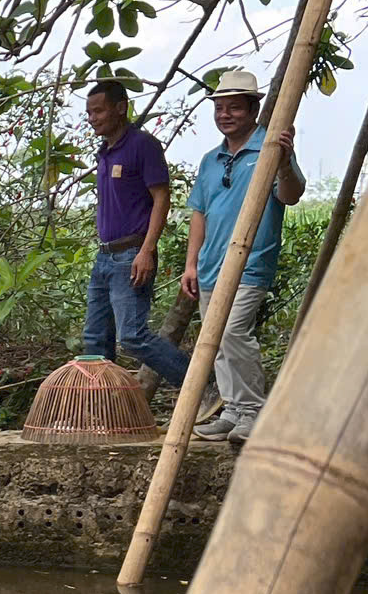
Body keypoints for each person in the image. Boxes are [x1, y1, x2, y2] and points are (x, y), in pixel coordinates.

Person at [181, 67, 305, 443]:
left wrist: (284, 161)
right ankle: (232, 411)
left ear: (253, 110)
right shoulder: (210, 159)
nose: (225, 115)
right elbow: (199, 213)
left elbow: (291, 194)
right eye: (220, 108)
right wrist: (191, 263)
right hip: (211, 265)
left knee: (234, 331)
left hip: (251, 263)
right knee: (215, 340)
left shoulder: (270, 148)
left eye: (234, 108)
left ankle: (252, 410)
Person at [80, 79, 191, 389]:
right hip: (104, 256)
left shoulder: (143, 145)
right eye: (89, 113)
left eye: (99, 111)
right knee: (95, 339)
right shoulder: (105, 152)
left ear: (121, 107)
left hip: (132, 253)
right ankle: (101, 406)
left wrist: (146, 251)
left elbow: (161, 198)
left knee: (132, 335)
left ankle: (202, 384)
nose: (93, 118)